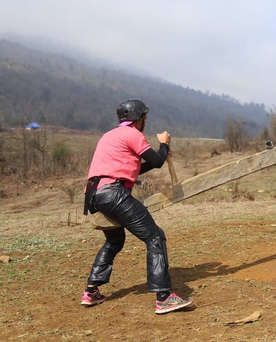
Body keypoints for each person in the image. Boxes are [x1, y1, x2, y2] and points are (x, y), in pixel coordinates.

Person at [80, 99, 193, 314]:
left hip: (94, 195)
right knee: (154, 236)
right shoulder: (133, 134)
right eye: (144, 117)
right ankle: (164, 297)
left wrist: (162, 153)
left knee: (115, 240)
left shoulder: (110, 136)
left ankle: (91, 291)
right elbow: (158, 161)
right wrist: (165, 145)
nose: (146, 120)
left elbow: (137, 168)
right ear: (138, 118)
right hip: (113, 193)